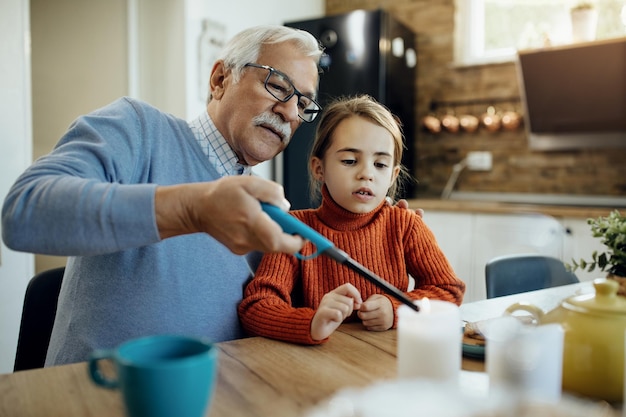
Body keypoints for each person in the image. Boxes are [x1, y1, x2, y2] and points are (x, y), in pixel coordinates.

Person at [1, 25, 324, 366]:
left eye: (303, 104)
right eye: (277, 86)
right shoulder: (138, 129)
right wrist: (192, 210)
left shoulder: (265, 204)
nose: (290, 112)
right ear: (219, 80)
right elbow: (23, 212)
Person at [238, 95, 465, 344]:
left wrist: (397, 308)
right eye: (349, 161)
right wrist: (311, 323)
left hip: (387, 366)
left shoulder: (405, 225)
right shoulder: (294, 231)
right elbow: (256, 307)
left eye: (380, 164)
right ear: (319, 168)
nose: (366, 173)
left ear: (393, 175)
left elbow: (448, 290)